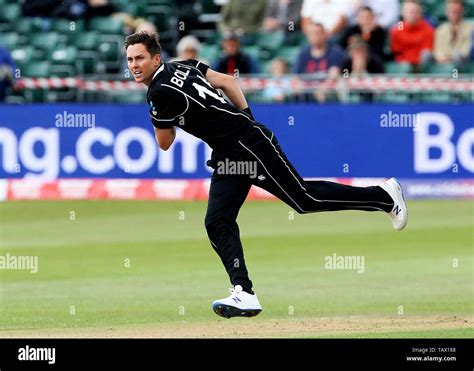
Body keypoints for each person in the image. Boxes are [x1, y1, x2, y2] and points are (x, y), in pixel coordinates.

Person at [125, 31, 408, 319]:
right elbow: (227, 82)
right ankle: (244, 293)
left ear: (155, 58)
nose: (134, 65)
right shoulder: (184, 64)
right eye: (130, 60)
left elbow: (164, 142)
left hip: (246, 146)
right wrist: (247, 116)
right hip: (230, 153)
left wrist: (167, 118)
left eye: (140, 58)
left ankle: (383, 196)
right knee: (217, 220)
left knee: (304, 199)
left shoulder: (157, 92)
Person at [390, 0, 434, 67]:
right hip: (403, 64)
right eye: (410, 12)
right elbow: (396, 50)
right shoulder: (399, 26)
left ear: (420, 13)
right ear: (403, 13)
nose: (413, 15)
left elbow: (426, 50)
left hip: (420, 65)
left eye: (416, 12)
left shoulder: (427, 28)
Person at [434, 0, 473, 66]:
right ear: (446, 12)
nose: (454, 14)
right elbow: (438, 51)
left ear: (462, 11)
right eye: (451, 11)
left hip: (462, 63)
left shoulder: (471, 28)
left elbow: (465, 52)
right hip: (443, 63)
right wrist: (444, 59)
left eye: (456, 12)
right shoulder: (440, 29)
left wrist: (452, 58)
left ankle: (455, 75)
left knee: (456, 59)